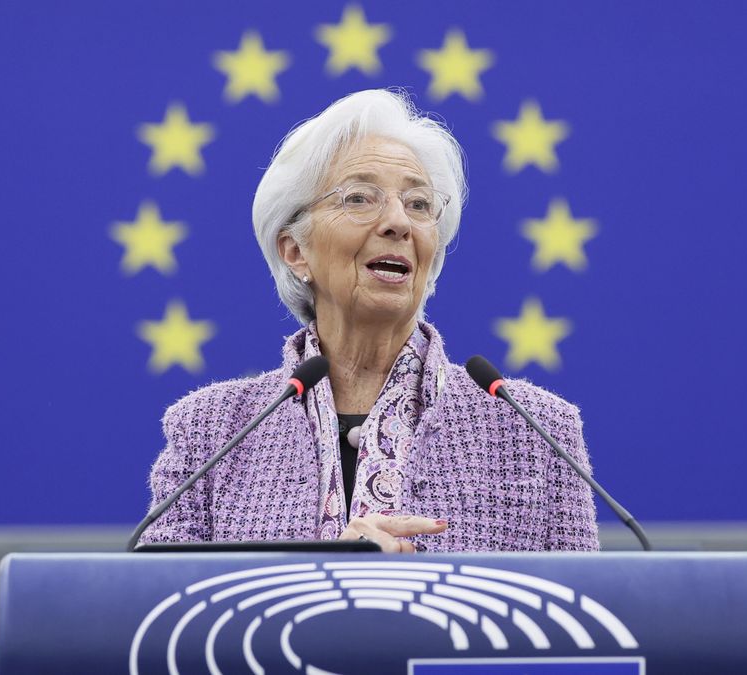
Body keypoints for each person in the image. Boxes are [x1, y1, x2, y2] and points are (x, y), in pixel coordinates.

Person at [138, 89, 599, 553]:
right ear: (295, 251)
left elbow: (582, 617)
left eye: (419, 204)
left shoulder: (537, 431)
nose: (398, 222)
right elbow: (158, 612)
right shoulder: (211, 431)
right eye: (360, 198)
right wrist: (333, 572)